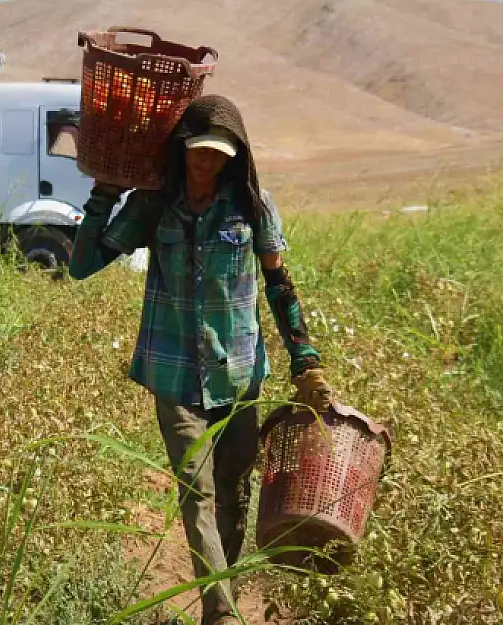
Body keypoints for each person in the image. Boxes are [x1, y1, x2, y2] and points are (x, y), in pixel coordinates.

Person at [69, 95, 335, 625]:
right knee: (198, 493)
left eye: (218, 154)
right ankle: (222, 614)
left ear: (234, 156)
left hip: (239, 373)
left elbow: (279, 284)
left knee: (235, 492)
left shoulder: (252, 206)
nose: (206, 163)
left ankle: (223, 589)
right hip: (173, 373)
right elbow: (83, 265)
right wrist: (102, 198)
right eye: (198, 151)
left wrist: (305, 359)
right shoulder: (152, 205)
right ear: (183, 148)